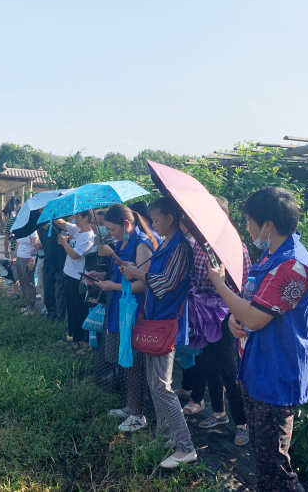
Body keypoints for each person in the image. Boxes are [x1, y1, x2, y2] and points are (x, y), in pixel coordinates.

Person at [207, 187, 308, 491]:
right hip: (257, 368)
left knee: (275, 464)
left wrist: (220, 285)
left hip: (276, 375)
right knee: (264, 456)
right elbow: (251, 305)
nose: (247, 228)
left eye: (248, 221)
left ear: (268, 224)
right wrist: (235, 318)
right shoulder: (271, 256)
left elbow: (256, 317)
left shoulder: (293, 265)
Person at [122, 196, 197, 469]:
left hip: (165, 322)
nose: (153, 224)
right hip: (154, 319)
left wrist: (137, 273)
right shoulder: (166, 243)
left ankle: (186, 446)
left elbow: (165, 284)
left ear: (170, 218)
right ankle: (164, 437)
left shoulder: (180, 248)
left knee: (162, 387)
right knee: (155, 384)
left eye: (155, 219)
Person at [181, 196, 251, 447]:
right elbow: (193, 276)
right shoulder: (200, 245)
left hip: (224, 314)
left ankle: (242, 424)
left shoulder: (234, 247)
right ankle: (219, 413)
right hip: (203, 313)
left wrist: (235, 311)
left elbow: (244, 284)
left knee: (228, 370)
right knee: (208, 364)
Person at [88, 204, 157, 434]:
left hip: (133, 312)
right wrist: (100, 277)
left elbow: (144, 283)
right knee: (125, 360)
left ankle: (138, 414)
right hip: (119, 308)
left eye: (113, 229)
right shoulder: (120, 243)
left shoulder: (142, 244)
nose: (110, 233)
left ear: (126, 224)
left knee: (134, 362)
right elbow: (119, 274)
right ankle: (131, 405)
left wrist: (113, 286)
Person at [54, 212, 95, 344]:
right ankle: (72, 335)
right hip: (68, 275)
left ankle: (81, 339)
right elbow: (61, 223)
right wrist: (52, 212)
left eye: (77, 216)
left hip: (78, 279)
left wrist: (64, 242)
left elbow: (75, 255)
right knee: (70, 307)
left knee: (78, 309)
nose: (74, 219)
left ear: (86, 218)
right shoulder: (77, 229)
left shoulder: (88, 236)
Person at [37, 220, 68, 321]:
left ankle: (60, 317)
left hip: (60, 261)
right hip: (48, 260)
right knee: (47, 289)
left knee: (60, 291)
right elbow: (43, 241)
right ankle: (51, 315)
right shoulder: (41, 226)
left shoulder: (61, 224)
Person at [12, 229, 38, 314]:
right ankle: (28, 304)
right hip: (20, 258)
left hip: (27, 258)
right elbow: (18, 244)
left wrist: (32, 260)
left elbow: (35, 246)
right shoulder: (20, 230)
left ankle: (32, 306)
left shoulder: (32, 231)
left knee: (28, 282)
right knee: (22, 282)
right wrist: (14, 256)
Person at [3, 196, 23, 295]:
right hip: (14, 248)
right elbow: (7, 236)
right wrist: (6, 249)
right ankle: (15, 292)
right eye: (18, 211)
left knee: (24, 270)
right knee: (14, 269)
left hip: (25, 249)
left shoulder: (28, 221)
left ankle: (25, 291)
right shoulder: (11, 221)